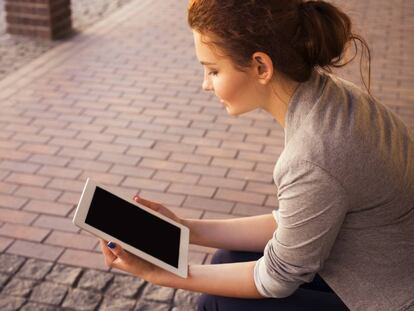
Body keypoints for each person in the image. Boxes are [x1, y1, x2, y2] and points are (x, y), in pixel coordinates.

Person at [99, 0, 414, 310]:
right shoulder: (329, 96)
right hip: (376, 269)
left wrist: (161, 274)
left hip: (388, 297)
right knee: (227, 258)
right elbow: (295, 219)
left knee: (217, 304)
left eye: (213, 70)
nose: (205, 85)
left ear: (261, 67)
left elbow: (276, 278)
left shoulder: (312, 156)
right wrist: (185, 229)